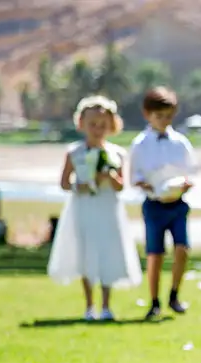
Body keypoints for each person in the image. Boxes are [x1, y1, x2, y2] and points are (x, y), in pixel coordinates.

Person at [47, 95, 142, 320]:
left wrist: (108, 176)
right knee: (86, 251)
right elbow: (63, 183)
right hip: (83, 207)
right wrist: (79, 185)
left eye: (102, 125)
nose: (97, 129)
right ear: (82, 124)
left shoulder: (116, 154)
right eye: (93, 125)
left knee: (107, 251)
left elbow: (121, 186)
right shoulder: (74, 153)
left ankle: (107, 305)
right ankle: (89, 306)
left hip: (107, 207)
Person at [128, 86, 197, 321]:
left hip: (177, 204)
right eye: (160, 116)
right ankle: (154, 300)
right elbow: (134, 176)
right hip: (154, 204)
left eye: (169, 116)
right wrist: (147, 185)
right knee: (155, 254)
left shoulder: (180, 143)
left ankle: (174, 294)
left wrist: (185, 185)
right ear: (148, 115)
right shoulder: (140, 144)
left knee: (182, 248)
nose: (165, 121)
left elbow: (190, 171)